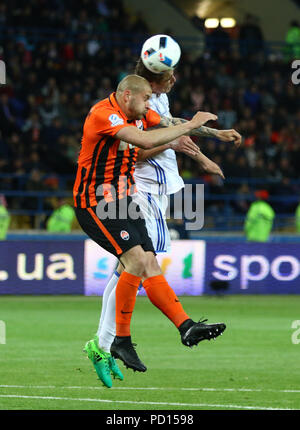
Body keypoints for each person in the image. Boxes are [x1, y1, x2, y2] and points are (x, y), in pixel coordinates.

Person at [74, 74, 227, 388]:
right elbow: (145, 141)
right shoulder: (104, 114)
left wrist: (213, 133)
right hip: (97, 201)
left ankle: (184, 327)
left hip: (124, 199)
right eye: (145, 102)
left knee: (148, 263)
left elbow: (171, 122)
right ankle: (118, 339)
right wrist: (185, 133)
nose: (148, 109)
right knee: (135, 263)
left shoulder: (139, 113)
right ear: (128, 96)